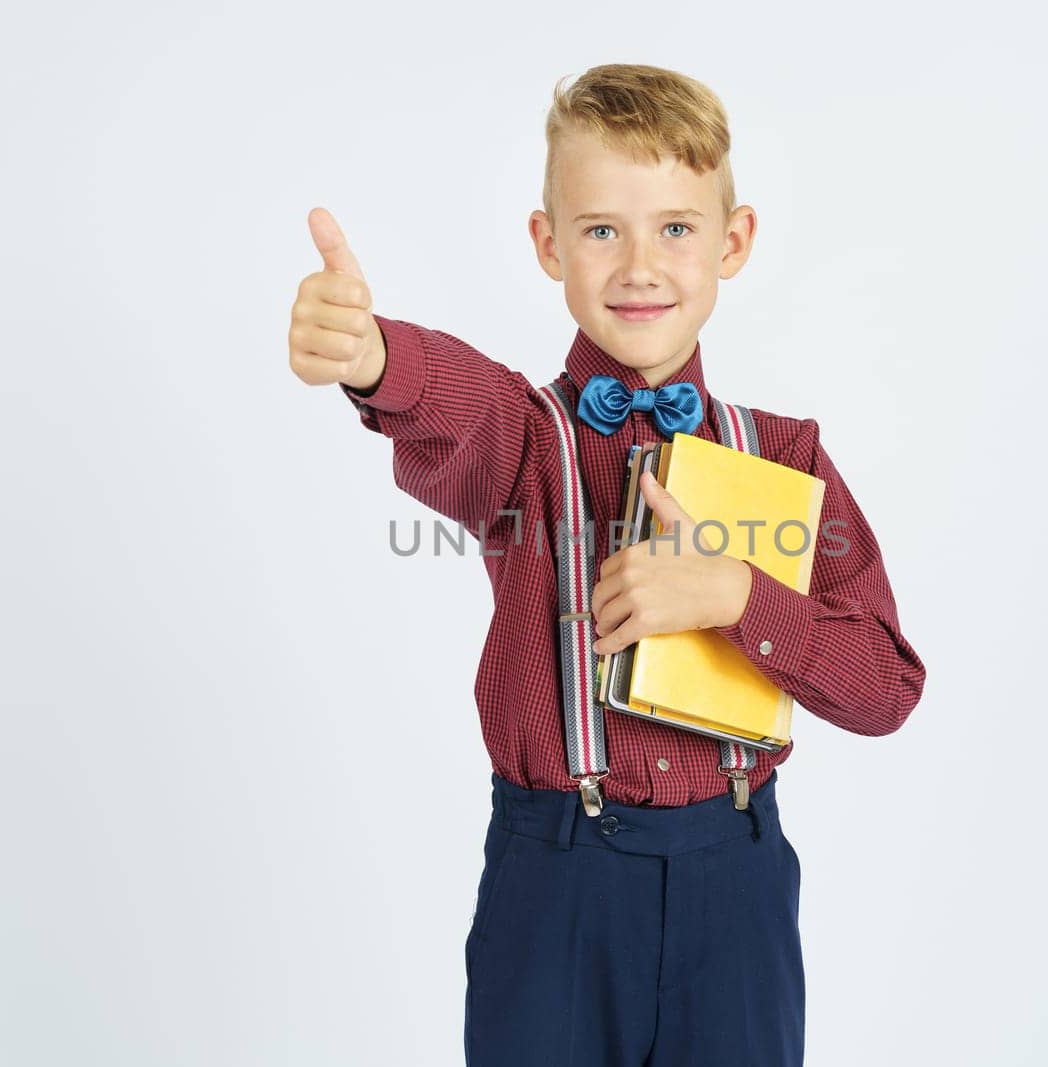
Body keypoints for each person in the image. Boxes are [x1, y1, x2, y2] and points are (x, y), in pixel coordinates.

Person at [286, 62, 926, 1067]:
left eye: (675, 227)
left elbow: (885, 684)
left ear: (733, 240)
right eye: (600, 230)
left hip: (737, 879)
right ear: (548, 244)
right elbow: (447, 397)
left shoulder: (787, 455)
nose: (639, 265)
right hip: (558, 880)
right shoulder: (522, 439)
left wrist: (735, 595)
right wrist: (372, 355)